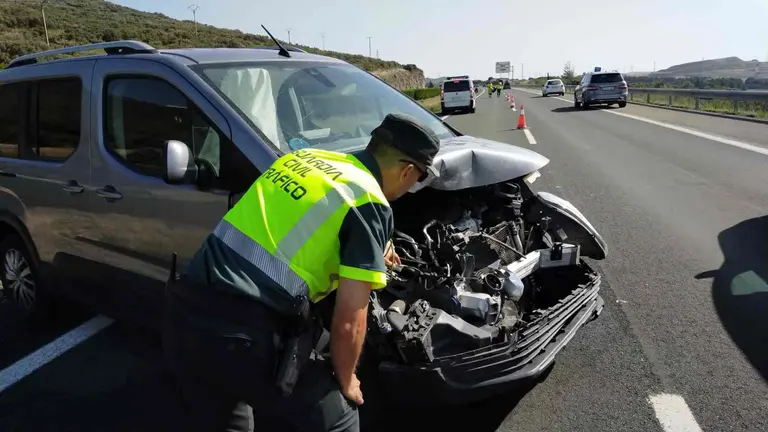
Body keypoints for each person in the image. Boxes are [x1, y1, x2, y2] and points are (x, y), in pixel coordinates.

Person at [161, 113, 441, 432]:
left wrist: (377, 243)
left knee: (224, 416)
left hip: (183, 314)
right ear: (407, 171)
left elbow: (308, 215)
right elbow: (350, 318)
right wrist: (347, 380)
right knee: (339, 420)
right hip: (243, 340)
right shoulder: (369, 202)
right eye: (418, 178)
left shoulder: (304, 158)